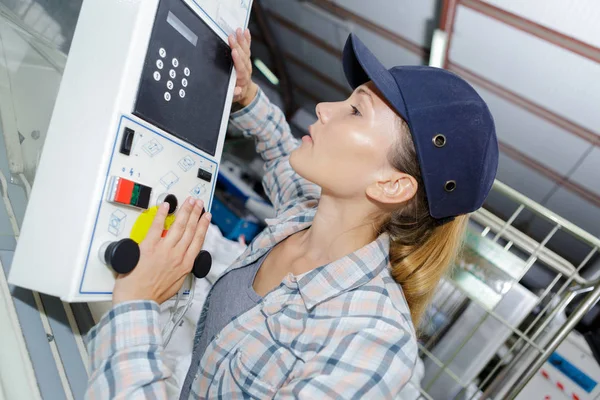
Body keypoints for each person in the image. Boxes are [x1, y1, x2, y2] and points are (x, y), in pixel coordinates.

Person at [85, 28, 498, 399]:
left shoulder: (370, 340)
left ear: (391, 185)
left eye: (356, 111)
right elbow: (281, 148)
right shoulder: (305, 219)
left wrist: (137, 301)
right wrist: (246, 94)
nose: (323, 107)